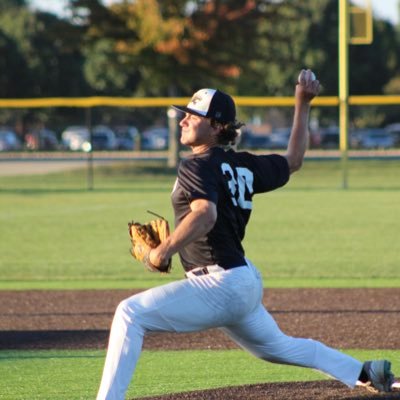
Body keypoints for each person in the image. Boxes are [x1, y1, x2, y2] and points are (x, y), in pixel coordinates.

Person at [96, 70, 395, 400]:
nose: (183, 121)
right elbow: (293, 161)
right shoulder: (243, 164)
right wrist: (302, 104)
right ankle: (366, 372)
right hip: (242, 281)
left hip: (218, 284)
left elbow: (204, 214)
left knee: (130, 314)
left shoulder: (195, 165)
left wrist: (163, 250)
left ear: (218, 125)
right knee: (279, 347)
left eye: (193, 116)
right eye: (185, 115)